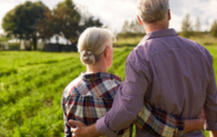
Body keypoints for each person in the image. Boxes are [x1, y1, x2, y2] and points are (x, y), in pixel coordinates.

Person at [69, 0, 217, 137]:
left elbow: (127, 111)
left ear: (139, 20)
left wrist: (88, 132)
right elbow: (213, 105)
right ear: (169, 14)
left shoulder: (139, 56)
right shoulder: (201, 52)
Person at [62, 27, 205, 137]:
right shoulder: (121, 92)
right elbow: (158, 126)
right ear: (106, 52)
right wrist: (195, 124)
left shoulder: (68, 91)